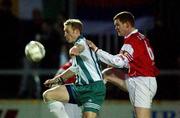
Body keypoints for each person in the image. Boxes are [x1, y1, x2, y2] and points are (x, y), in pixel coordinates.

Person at [87, 11, 159, 118]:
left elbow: (119, 62)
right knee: (107, 73)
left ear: (127, 24)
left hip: (142, 83)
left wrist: (96, 50)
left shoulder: (132, 41)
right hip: (140, 80)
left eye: (118, 25)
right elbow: (126, 60)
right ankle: (89, 103)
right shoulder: (140, 37)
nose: (116, 27)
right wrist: (113, 64)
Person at [42, 19, 106, 118]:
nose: (65, 34)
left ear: (76, 31)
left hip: (94, 88)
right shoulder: (78, 45)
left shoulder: (83, 42)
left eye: (67, 31)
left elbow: (80, 47)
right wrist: (55, 80)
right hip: (79, 88)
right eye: (64, 31)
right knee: (48, 95)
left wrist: (74, 49)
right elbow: (74, 69)